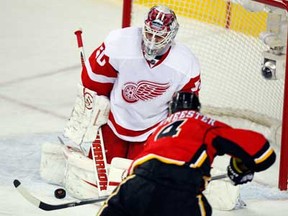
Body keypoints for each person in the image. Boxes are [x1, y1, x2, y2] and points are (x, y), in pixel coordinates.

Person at [97, 92, 276, 216]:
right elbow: (262, 152)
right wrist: (241, 165)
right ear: (197, 109)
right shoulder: (206, 125)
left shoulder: (158, 131)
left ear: (171, 111)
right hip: (180, 191)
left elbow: (133, 169)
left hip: (135, 185)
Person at [80, 5, 201, 163]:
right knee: (99, 171)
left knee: (141, 179)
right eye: (149, 33)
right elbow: (94, 79)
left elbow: (186, 110)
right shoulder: (120, 42)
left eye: (158, 37)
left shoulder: (186, 64)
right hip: (113, 120)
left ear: (171, 36)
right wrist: (95, 104)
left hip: (153, 129)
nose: (151, 41)